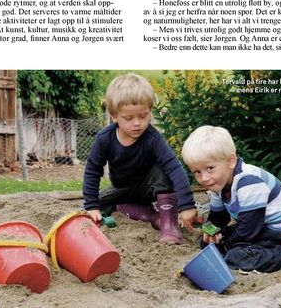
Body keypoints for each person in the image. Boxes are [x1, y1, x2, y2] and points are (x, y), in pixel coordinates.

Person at [182, 125, 281, 272]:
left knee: (237, 257)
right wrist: (211, 232)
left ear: (231, 161)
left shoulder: (249, 181)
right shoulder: (217, 184)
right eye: (197, 172)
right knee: (207, 243)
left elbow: (248, 231)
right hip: (257, 226)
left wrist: (226, 243)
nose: (204, 178)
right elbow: (218, 218)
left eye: (210, 168)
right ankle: (230, 251)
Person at [82, 73, 197, 244]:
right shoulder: (104, 138)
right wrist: (91, 206)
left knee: (162, 169)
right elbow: (92, 170)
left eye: (143, 116)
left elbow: (174, 167)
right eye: (128, 118)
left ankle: (169, 225)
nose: (137, 123)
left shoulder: (153, 138)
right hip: (123, 189)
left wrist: (187, 205)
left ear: (150, 110)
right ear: (114, 116)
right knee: (94, 206)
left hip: (150, 187)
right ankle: (154, 217)